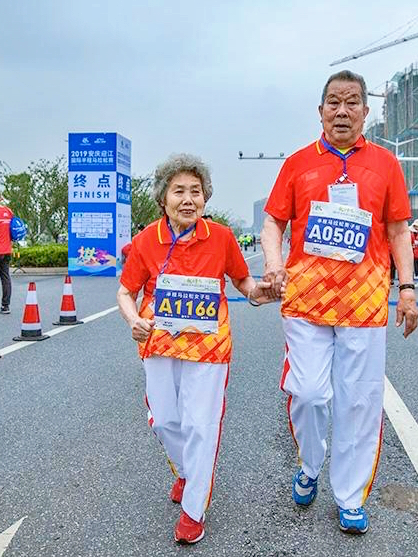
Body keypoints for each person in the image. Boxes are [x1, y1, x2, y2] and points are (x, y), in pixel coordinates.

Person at [261, 70, 418, 535]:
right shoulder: (296, 164)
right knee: (309, 393)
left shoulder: (386, 165)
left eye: (352, 102)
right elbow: (274, 223)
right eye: (334, 102)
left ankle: (349, 497)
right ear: (321, 111)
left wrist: (406, 289)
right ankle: (310, 463)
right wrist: (274, 264)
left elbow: (398, 232)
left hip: (366, 303)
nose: (342, 110)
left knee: (359, 403)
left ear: (366, 112)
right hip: (305, 301)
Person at [117, 154, 280, 544]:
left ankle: (193, 510)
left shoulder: (221, 237)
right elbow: (127, 292)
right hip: (159, 341)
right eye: (179, 191)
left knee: (200, 425)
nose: (188, 199)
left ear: (205, 198)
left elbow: (243, 283)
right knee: (164, 420)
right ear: (163, 199)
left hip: (209, 344)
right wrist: (132, 320)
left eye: (196, 191)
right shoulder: (146, 241)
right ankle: (188, 470)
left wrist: (263, 293)